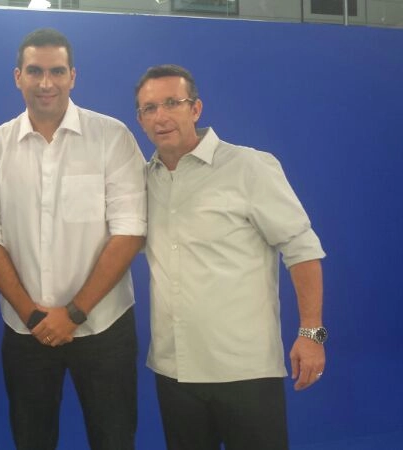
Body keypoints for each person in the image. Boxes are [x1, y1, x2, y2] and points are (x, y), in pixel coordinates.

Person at [134, 64, 327, 450]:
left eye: (173, 102)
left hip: (245, 369)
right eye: (149, 108)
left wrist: (312, 334)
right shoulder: (141, 180)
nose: (161, 116)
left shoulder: (248, 166)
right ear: (139, 119)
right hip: (175, 371)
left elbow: (302, 249)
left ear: (196, 108)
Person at [0, 28, 147, 450]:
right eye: (35, 71)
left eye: (56, 71)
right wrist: (34, 316)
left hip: (104, 326)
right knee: (32, 440)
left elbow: (130, 231)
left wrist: (75, 313)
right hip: (25, 328)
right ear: (18, 76)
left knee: (115, 440)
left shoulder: (112, 137)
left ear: (73, 76)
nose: (45, 82)